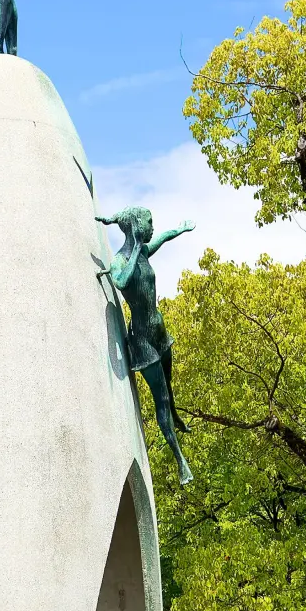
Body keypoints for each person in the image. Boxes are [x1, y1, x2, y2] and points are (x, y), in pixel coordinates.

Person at [98, 205, 194, 483]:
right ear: (136, 226)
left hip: (159, 329)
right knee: (160, 398)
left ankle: (175, 415)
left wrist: (181, 229)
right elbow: (120, 281)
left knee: (169, 382)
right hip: (141, 342)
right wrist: (137, 248)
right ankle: (181, 462)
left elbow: (163, 237)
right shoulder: (120, 260)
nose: (152, 227)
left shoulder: (145, 251)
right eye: (148, 223)